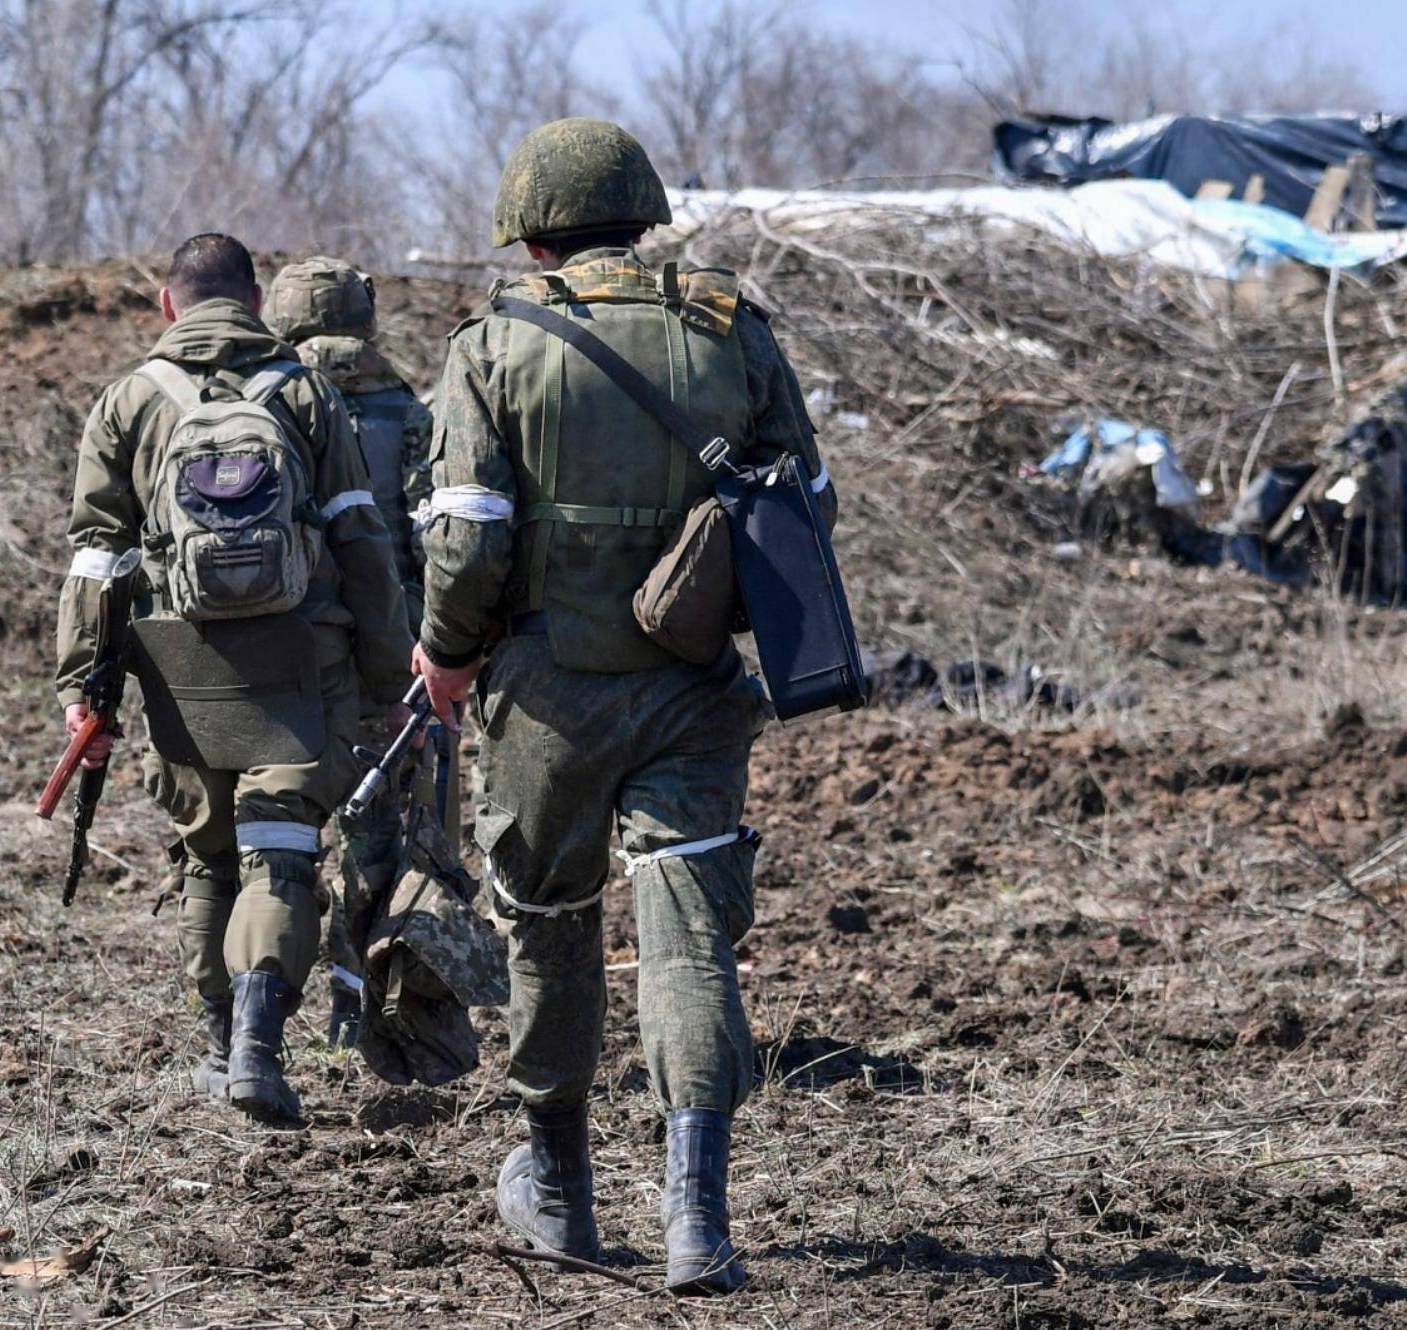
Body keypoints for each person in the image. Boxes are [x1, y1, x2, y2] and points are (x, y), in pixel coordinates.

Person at [413, 118, 831, 1294]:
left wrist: (446, 654)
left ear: (530, 235)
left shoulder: (492, 344)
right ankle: (698, 1220)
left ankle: (559, 1193)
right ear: (643, 214)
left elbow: (466, 538)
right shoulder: (727, 329)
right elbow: (808, 507)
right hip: (693, 694)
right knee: (690, 940)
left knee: (545, 926)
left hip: (545, 699)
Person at [53, 234, 412, 1120]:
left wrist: (83, 691)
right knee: (281, 854)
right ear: (256, 302)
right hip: (301, 659)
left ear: (167, 306)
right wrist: (384, 677)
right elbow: (364, 542)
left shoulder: (129, 399)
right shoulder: (307, 393)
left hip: (179, 663)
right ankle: (260, 1044)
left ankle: (217, 1047)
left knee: (207, 856)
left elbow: (98, 559)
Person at [263, 256, 442, 1046]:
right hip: (388, 653)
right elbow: (441, 546)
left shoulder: (255, 402)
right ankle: (357, 1001)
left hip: (278, 652)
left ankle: (257, 1001)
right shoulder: (411, 411)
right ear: (366, 322)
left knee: (277, 828)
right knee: (382, 833)